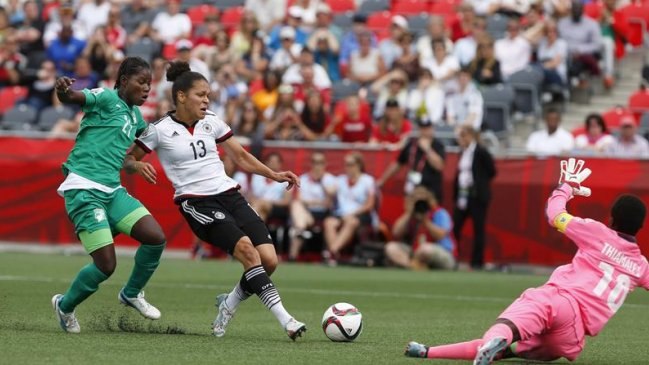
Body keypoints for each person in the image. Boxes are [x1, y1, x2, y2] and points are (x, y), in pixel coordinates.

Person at [406, 158, 649, 364]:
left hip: (559, 301)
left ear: (611, 219)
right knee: (506, 351)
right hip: (570, 338)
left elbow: (555, 215)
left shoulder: (598, 232)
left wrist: (565, 187)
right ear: (640, 227)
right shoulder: (640, 265)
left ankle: (497, 337)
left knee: (506, 328)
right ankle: (427, 351)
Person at [126, 61, 306, 340]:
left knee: (269, 260)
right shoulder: (159, 129)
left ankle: (229, 303)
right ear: (181, 96)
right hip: (196, 202)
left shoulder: (211, 121)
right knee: (247, 251)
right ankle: (287, 320)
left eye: (208, 95)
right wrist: (137, 166)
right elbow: (128, 159)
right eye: (201, 94)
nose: (207, 100)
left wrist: (274, 174)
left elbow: (242, 157)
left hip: (230, 196)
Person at [51, 57, 167, 334]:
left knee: (155, 238)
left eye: (150, 84)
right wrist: (62, 90)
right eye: (142, 82)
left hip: (112, 191)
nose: (147, 89)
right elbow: (72, 97)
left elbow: (127, 160)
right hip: (84, 189)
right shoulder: (104, 97)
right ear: (124, 80)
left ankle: (132, 293)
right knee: (106, 265)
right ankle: (65, 306)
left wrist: (135, 164)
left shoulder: (136, 117)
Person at [453, 126, 497, 270]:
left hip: (477, 196)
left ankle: (477, 262)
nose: (461, 140)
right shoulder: (463, 153)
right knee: (456, 227)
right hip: (463, 195)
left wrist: (479, 182)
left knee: (478, 229)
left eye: (464, 136)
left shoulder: (480, 152)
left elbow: (492, 171)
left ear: (471, 136)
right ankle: (454, 257)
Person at [384, 185, 455, 270]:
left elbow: (440, 235)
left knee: (425, 249)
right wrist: (408, 213)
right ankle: (412, 266)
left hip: (442, 252)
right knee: (391, 247)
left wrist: (426, 221)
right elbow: (396, 233)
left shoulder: (440, 213)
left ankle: (416, 266)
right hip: (416, 253)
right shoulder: (411, 214)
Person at [323, 152, 376, 265]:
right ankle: (334, 254)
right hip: (341, 214)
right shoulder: (340, 179)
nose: (347, 167)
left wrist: (353, 213)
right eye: (346, 164)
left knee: (351, 222)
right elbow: (330, 191)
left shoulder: (368, 180)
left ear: (359, 165)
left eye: (350, 164)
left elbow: (369, 205)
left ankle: (332, 251)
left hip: (360, 214)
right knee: (329, 222)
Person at [377, 118, 445, 200]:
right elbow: (398, 163)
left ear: (432, 129)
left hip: (430, 191)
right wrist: (382, 180)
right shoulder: (412, 144)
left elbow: (439, 166)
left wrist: (427, 149)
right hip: (413, 189)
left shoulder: (438, 145)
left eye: (427, 128)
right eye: (422, 128)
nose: (425, 131)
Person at [288, 152, 336, 261]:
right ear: (311, 164)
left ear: (325, 164)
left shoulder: (330, 179)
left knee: (299, 218)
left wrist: (321, 180)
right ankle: (293, 256)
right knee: (296, 206)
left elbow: (329, 201)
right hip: (306, 213)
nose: (317, 166)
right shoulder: (303, 179)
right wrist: (316, 202)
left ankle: (299, 233)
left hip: (323, 213)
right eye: (314, 162)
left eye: (320, 163)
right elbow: (299, 200)